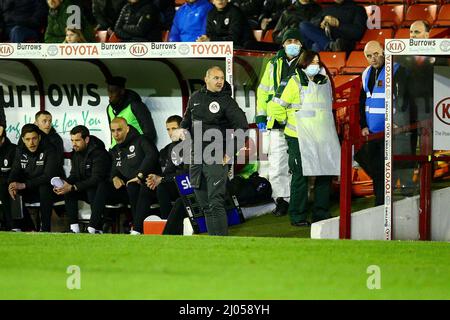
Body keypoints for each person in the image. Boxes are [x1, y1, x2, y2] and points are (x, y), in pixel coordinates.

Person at [267, 50, 339, 226]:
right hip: (298, 137)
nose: (316, 65)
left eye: (318, 62)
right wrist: (287, 121)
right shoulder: (294, 81)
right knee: (300, 176)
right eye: (312, 62)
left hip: (321, 137)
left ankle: (320, 213)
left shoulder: (324, 82)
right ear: (304, 63)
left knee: (325, 173)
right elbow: (275, 107)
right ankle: (297, 216)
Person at [178, 66, 249, 236]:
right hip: (196, 157)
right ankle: (213, 242)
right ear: (206, 79)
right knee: (205, 206)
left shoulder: (227, 102)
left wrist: (229, 153)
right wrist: (182, 129)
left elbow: (242, 128)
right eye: (216, 78)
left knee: (215, 202)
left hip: (216, 155)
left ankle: (222, 242)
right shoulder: (195, 97)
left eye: (222, 78)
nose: (220, 81)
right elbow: (187, 118)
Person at [256, 28, 304, 217]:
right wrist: (261, 115)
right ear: (283, 43)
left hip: (299, 122)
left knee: (297, 164)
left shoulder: (308, 62)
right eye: (289, 40)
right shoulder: (273, 64)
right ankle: (281, 199)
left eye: (296, 40)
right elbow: (263, 90)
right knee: (277, 164)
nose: (292, 44)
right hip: (276, 120)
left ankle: (297, 199)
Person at [358, 41, 409, 206]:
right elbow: (363, 100)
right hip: (373, 132)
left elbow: (404, 99)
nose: (373, 58)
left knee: (390, 169)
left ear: (384, 52)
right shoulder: (366, 73)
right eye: (368, 56)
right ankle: (381, 202)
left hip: (392, 131)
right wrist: (363, 125)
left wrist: (398, 122)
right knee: (376, 168)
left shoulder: (397, 70)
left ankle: (394, 202)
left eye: (376, 54)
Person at [53, 125, 111, 234]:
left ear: (87, 139)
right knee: (68, 191)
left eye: (77, 140)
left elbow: (96, 178)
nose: (74, 144)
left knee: (92, 188)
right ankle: (74, 228)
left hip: (104, 192)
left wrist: (74, 187)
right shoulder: (76, 153)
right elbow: (74, 174)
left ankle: (94, 228)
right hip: (87, 189)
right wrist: (65, 184)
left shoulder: (99, 153)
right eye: (72, 140)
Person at [109, 117, 160, 235]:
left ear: (127, 129)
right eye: (113, 131)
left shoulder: (141, 140)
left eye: (119, 130)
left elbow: (152, 155)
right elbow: (114, 168)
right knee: (129, 186)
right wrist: (115, 177)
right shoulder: (116, 149)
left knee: (138, 186)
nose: (116, 134)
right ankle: (136, 227)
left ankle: (137, 229)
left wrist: (140, 175)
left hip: (152, 182)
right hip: (131, 186)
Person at [8, 124, 59, 232]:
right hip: (29, 188)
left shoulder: (49, 149)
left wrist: (24, 185)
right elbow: (15, 171)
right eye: (27, 139)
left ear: (39, 137)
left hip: (49, 190)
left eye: (34, 138)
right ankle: (22, 227)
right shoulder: (20, 150)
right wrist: (12, 183)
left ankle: (45, 228)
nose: (31, 143)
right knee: (10, 187)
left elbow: (48, 176)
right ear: (23, 139)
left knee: (44, 187)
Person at [146, 115, 188, 219]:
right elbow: (169, 171)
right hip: (176, 183)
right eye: (168, 129)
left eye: (174, 129)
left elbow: (187, 173)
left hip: (190, 184)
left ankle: (167, 222)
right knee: (145, 186)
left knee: (162, 187)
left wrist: (163, 179)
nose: (170, 132)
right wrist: (155, 178)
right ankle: (138, 228)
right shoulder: (172, 147)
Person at [106, 76, 157, 146]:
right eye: (108, 91)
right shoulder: (109, 109)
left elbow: (150, 134)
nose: (109, 95)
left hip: (134, 153)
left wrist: (138, 150)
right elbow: (113, 136)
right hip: (117, 153)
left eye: (113, 92)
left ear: (121, 91)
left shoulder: (136, 106)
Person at [299, 0, 366, 52]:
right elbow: (312, 22)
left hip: (343, 41)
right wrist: (322, 21)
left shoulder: (358, 9)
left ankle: (328, 46)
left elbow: (358, 33)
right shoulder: (328, 8)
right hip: (326, 38)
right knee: (303, 25)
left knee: (316, 46)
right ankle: (329, 46)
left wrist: (338, 24)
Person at [0, 130, 16, 231]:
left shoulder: (13, 149)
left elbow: (16, 170)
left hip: (9, 182)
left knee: (2, 187)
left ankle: (13, 226)